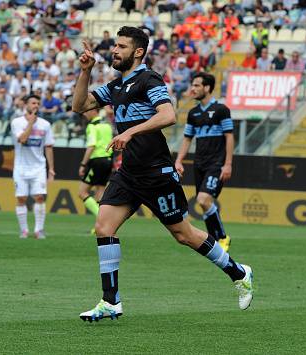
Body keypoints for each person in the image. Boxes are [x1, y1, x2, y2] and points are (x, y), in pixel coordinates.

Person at [72, 27, 253, 322]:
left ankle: (239, 272)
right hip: (129, 173)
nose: (114, 50)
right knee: (104, 228)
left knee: (183, 234)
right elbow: (78, 106)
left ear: (138, 52)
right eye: (114, 45)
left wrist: (130, 131)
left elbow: (168, 115)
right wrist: (85, 71)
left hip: (157, 173)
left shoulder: (149, 79)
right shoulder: (116, 86)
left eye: (121, 46)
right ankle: (110, 302)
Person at [175, 72, 234, 252]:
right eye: (193, 85)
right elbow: (187, 139)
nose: (193, 88)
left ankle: (222, 238)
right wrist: (178, 160)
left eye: (197, 85)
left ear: (207, 88)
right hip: (199, 164)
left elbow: (229, 137)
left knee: (203, 199)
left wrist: (228, 164)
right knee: (204, 202)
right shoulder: (193, 113)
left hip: (216, 163)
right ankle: (215, 239)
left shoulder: (221, 110)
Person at [10, 94, 55, 239]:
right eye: (33, 103)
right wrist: (30, 123)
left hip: (39, 167)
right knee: (21, 198)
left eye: (37, 103)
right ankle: (24, 230)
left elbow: (48, 147)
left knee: (40, 197)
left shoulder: (45, 125)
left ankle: (38, 230)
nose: (36, 106)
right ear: (26, 105)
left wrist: (51, 169)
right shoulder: (17, 122)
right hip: (21, 167)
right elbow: (22, 139)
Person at [78, 108, 113, 228]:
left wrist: (83, 164)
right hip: (108, 160)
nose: (85, 114)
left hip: (97, 160)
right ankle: (100, 225)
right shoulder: (107, 125)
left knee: (82, 192)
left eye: (86, 111)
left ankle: (102, 219)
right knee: (100, 194)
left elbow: (91, 146)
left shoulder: (92, 126)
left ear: (94, 111)